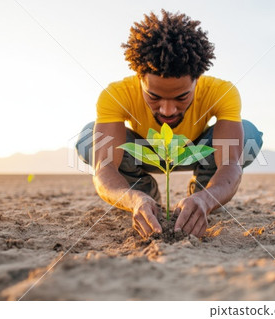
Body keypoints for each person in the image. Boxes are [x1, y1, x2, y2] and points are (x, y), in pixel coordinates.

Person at [76, 10, 263, 239]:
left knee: (249, 136)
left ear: (197, 79)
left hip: (194, 151)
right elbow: (104, 169)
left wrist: (206, 199)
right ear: (139, 78)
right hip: (146, 152)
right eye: (154, 97)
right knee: (89, 139)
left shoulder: (222, 92)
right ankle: (145, 195)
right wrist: (133, 199)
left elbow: (230, 164)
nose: (167, 110)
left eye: (181, 97)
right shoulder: (115, 94)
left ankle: (199, 197)